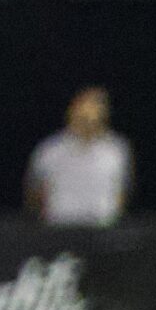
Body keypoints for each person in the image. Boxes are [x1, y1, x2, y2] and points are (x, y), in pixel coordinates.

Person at [25, 88, 134, 227]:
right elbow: (35, 192)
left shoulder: (117, 150)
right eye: (83, 114)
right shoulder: (50, 150)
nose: (87, 118)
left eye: (94, 111)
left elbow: (123, 191)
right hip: (60, 228)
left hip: (103, 229)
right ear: (71, 112)